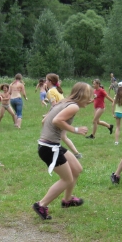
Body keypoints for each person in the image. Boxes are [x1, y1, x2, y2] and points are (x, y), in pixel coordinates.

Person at [32, 82, 93, 220]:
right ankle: (41, 205)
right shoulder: (73, 106)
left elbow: (44, 121)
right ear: (82, 95)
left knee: (76, 169)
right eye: (89, 96)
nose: (90, 99)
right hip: (49, 148)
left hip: (50, 145)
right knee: (67, 179)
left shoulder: (63, 102)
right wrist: (76, 130)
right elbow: (56, 120)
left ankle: (67, 200)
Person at [45, 74, 82, 159]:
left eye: (46, 80)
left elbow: (54, 106)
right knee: (63, 136)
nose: (45, 82)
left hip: (60, 115)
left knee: (54, 135)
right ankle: (76, 154)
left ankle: (54, 152)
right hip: (65, 114)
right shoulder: (57, 90)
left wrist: (48, 115)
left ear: (50, 82)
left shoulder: (50, 91)